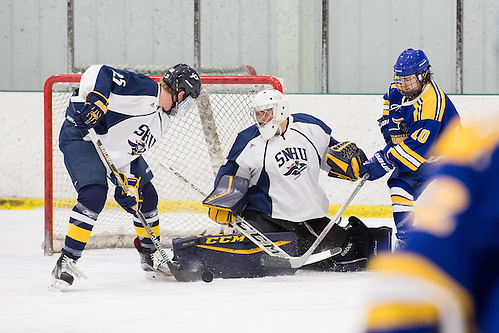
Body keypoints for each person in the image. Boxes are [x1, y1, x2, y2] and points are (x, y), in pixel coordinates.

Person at [49, 63, 201, 290]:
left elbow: (129, 152)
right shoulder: (145, 89)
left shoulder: (163, 120)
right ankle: (66, 261)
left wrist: (127, 185)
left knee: (146, 195)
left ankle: (151, 257)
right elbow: (100, 72)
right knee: (94, 195)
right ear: (180, 92)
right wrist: (98, 98)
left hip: (111, 150)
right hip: (82, 135)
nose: (185, 105)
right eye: (187, 98)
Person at [203, 89, 387, 272]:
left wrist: (354, 166)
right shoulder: (248, 140)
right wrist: (223, 199)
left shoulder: (310, 127)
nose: (260, 118)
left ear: (281, 110)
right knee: (254, 260)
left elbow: (334, 157)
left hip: (309, 217)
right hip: (266, 217)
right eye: (257, 113)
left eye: (265, 112)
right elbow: (230, 174)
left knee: (349, 254)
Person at [362, 119, 499, 333]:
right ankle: (404, 238)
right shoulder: (485, 151)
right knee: (399, 191)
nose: (404, 82)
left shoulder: (483, 148)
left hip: (427, 161)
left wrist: (384, 161)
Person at [359, 48, 461, 249]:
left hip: (452, 158)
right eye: (400, 77)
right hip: (422, 153)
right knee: (398, 186)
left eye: (409, 79)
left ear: (423, 75)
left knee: (453, 203)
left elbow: (417, 149)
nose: (403, 83)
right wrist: (389, 131)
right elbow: (389, 107)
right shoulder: (398, 88)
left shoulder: (432, 103)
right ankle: (406, 243)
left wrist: (384, 159)